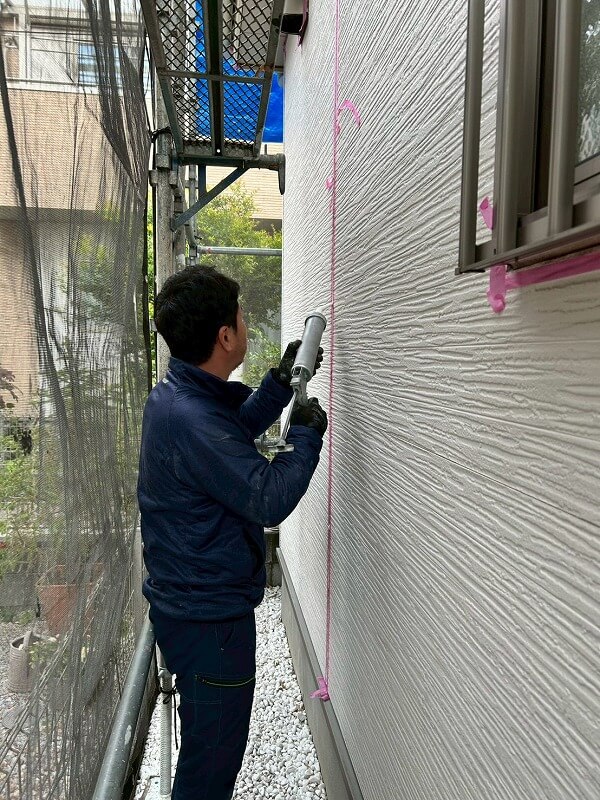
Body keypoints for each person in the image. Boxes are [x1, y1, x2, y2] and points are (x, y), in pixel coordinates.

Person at [137, 265, 327, 800]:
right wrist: (305, 437)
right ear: (225, 336)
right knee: (210, 769)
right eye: (241, 316)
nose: (245, 323)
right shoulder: (192, 418)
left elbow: (230, 432)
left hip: (189, 611)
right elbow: (267, 497)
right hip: (210, 624)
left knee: (206, 750)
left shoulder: (179, 396)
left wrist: (279, 386)